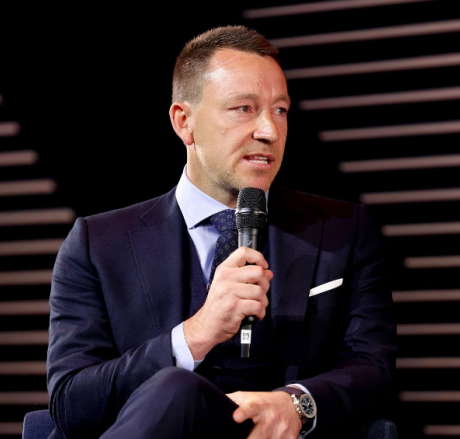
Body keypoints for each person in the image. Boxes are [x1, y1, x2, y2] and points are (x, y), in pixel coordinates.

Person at [46, 25, 397, 439]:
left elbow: (373, 368)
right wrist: (195, 334)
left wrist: (296, 403)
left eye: (280, 110)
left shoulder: (344, 230)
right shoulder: (98, 244)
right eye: (244, 108)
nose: (269, 131)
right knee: (175, 388)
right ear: (184, 122)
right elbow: (72, 403)